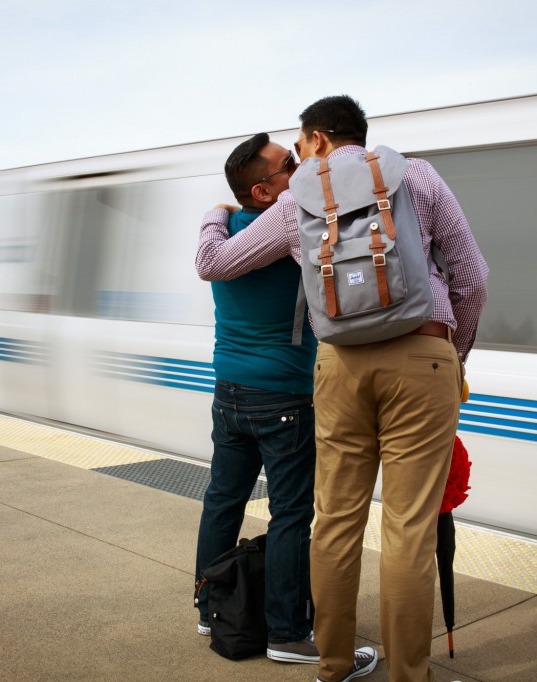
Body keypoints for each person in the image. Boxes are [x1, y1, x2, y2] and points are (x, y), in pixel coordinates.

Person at [196, 96, 489, 682]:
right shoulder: (419, 176)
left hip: (339, 367)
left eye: (301, 147)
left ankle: (332, 664)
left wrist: (213, 214)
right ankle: (410, 673)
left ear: (319, 139)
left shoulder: (298, 198)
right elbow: (472, 275)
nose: (302, 159)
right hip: (422, 355)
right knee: (408, 526)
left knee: (334, 519)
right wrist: (449, 355)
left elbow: (218, 262)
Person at [193, 133, 321, 664]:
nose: (300, 167)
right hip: (284, 393)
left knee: (224, 499)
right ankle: (287, 632)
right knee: (290, 514)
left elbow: (208, 254)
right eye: (289, 163)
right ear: (265, 192)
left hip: (229, 391)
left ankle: (211, 609)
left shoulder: (226, 231)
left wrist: (213, 210)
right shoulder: (293, 218)